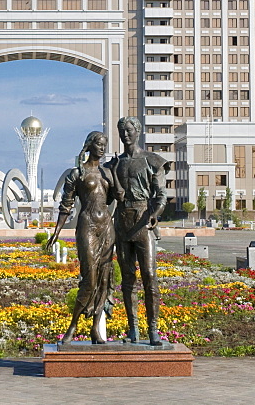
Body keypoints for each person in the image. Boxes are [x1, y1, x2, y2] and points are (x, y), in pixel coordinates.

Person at [46, 131, 116, 344]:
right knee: (90, 278)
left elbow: (117, 197)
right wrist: (56, 232)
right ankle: (73, 325)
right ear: (89, 145)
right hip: (87, 225)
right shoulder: (77, 173)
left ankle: (96, 327)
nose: (102, 149)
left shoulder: (108, 173)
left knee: (104, 279)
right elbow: (66, 205)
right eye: (99, 144)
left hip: (107, 227)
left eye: (105, 145)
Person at [110, 116, 168, 345]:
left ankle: (153, 329)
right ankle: (133, 328)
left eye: (129, 130)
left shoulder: (152, 161)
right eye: (122, 130)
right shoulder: (114, 164)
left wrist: (155, 214)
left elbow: (161, 194)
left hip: (143, 221)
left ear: (138, 132)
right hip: (122, 222)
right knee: (127, 279)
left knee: (150, 276)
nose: (125, 134)